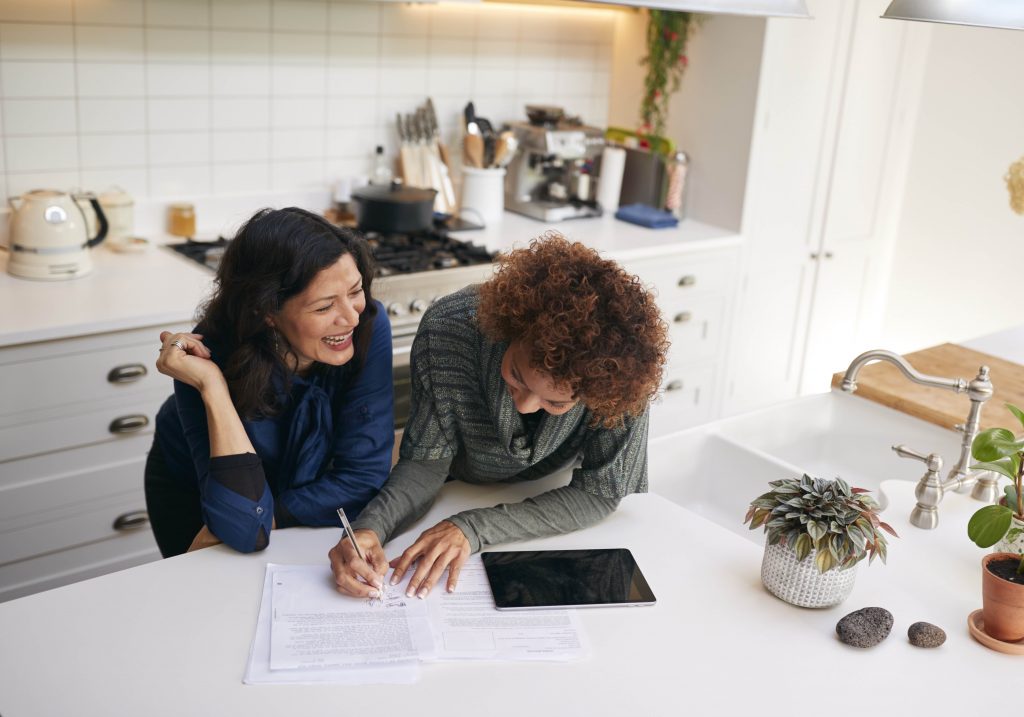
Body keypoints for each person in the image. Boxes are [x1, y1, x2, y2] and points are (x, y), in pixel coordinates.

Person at [329, 234, 668, 599]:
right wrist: (370, 527)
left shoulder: (615, 376)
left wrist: (474, 527)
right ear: (510, 328)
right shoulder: (449, 330)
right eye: (516, 376)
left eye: (555, 403)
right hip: (459, 486)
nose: (525, 407)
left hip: (547, 491)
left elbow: (600, 493)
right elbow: (426, 463)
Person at [145, 207, 394, 558]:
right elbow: (241, 526)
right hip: (204, 493)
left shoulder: (368, 323)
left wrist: (266, 517)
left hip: (289, 502)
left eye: (355, 291)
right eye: (324, 307)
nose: (351, 317)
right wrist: (213, 387)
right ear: (267, 312)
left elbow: (364, 477)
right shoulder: (206, 357)